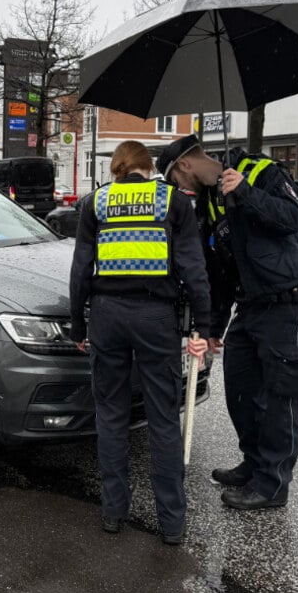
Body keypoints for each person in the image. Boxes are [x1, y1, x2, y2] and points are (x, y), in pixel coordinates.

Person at [157, 134, 298, 511]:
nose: (178, 189)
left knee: (281, 398)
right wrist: (214, 326)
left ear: (184, 165)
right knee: (241, 390)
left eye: (175, 181)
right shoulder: (208, 204)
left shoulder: (259, 171)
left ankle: (272, 484)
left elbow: (293, 218)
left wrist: (247, 192)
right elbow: (218, 271)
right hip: (251, 308)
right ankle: (254, 464)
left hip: (290, 301)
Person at [70, 140, 210, 545]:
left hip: (108, 316)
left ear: (116, 168)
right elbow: (193, 268)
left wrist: (79, 327)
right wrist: (204, 324)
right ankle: (171, 523)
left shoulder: (96, 202)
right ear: (150, 168)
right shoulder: (171, 202)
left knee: (110, 416)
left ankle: (113, 512)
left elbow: (81, 268)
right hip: (155, 317)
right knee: (163, 419)